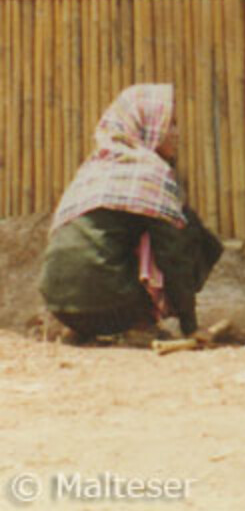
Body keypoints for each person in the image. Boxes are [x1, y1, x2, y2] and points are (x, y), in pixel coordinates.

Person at [39, 84, 222, 339]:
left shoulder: (93, 168)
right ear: (147, 127)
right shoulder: (150, 173)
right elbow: (173, 256)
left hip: (56, 301)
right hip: (112, 301)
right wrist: (190, 325)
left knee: (128, 233)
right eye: (170, 125)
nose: (177, 134)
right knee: (182, 225)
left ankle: (81, 327)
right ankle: (137, 322)